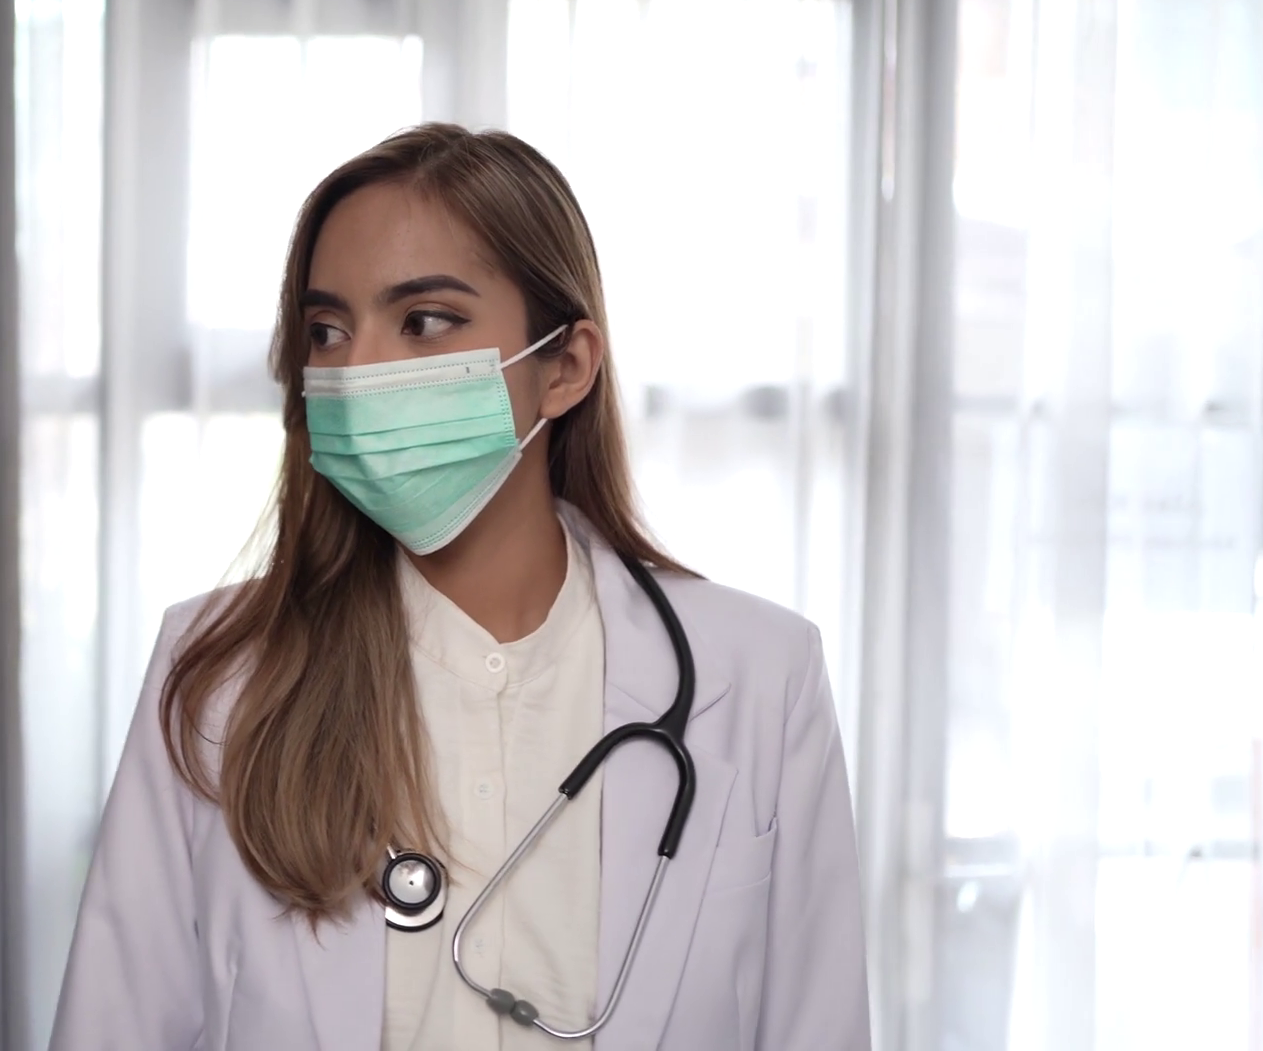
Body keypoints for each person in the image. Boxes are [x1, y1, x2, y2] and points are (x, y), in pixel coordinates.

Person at [49, 123, 869, 1051]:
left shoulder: (760, 676)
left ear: (564, 367)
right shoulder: (218, 677)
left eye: (425, 321)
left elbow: (818, 1024)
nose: (357, 371)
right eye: (327, 331)